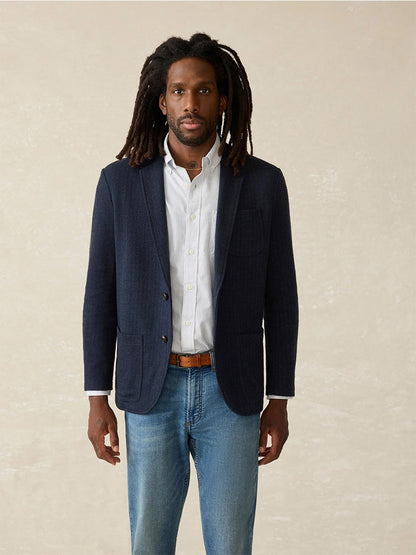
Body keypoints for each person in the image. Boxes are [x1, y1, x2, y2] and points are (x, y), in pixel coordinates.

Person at [83, 33, 298, 555]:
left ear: (222, 99)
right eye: (179, 91)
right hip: (150, 392)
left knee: (230, 545)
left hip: (234, 393)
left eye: (203, 91)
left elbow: (282, 297)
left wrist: (280, 398)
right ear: (162, 101)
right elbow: (100, 292)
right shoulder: (120, 184)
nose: (190, 103)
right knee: (150, 544)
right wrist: (97, 397)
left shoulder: (263, 184)